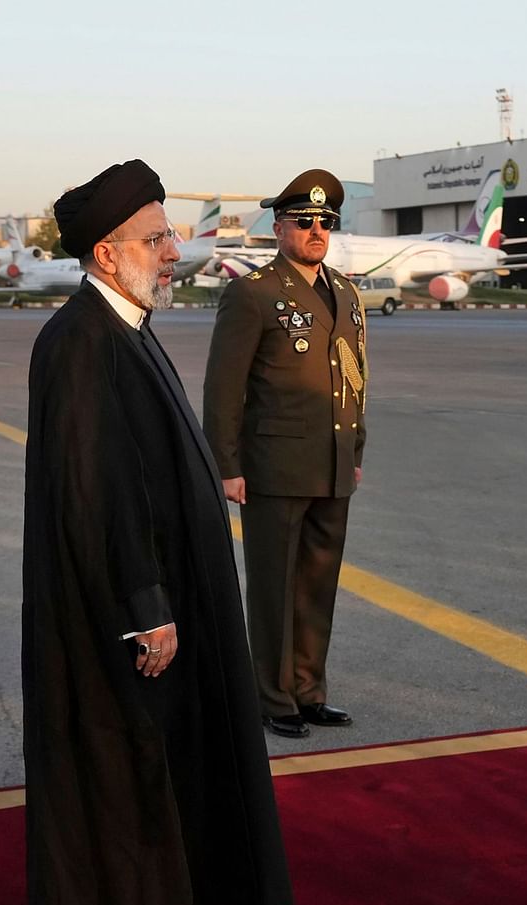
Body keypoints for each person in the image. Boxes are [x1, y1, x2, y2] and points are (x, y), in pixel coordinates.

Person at [21, 159, 292, 905]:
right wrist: (146, 606)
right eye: (157, 236)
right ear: (107, 253)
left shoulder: (126, 328)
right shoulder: (80, 343)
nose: (173, 248)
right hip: (128, 611)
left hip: (165, 597)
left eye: (168, 233)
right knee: (132, 767)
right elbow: (98, 491)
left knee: (171, 763)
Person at [203, 169, 367, 740]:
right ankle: (273, 699)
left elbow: (354, 377)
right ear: (279, 229)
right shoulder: (253, 293)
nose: (317, 230)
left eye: (326, 222)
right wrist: (227, 464)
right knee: (274, 588)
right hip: (273, 469)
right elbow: (224, 388)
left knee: (317, 587)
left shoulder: (345, 292)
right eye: (305, 221)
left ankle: (308, 691)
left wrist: (355, 448)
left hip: (332, 464)